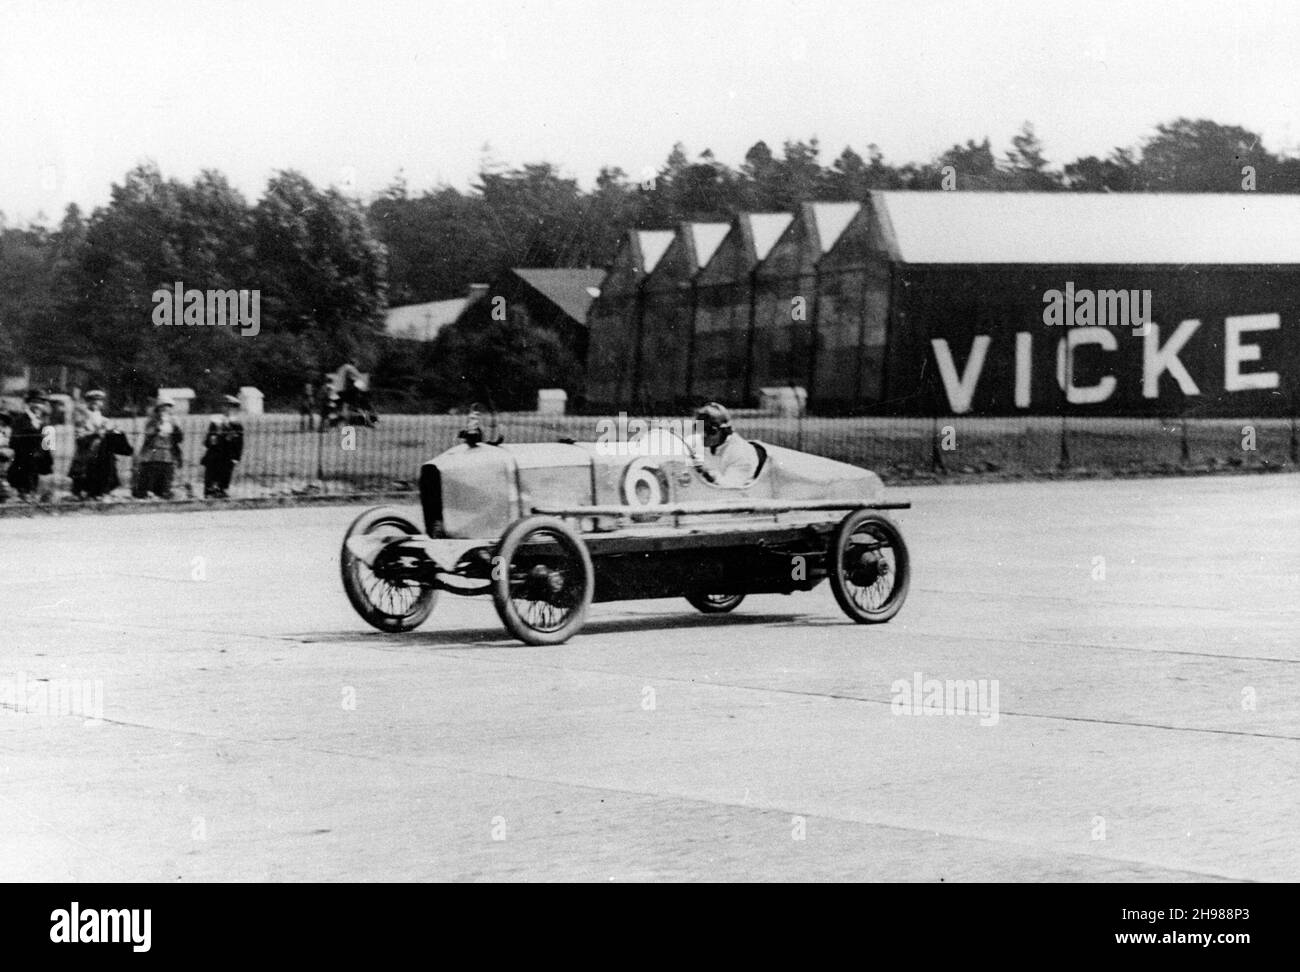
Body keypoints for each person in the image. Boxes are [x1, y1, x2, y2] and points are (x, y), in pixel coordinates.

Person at [688, 402, 760, 487]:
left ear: (725, 431)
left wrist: (706, 473)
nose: (703, 435)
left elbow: (731, 489)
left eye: (710, 430)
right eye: (699, 428)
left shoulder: (741, 452)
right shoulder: (700, 445)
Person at [69, 389, 124, 499]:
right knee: (86, 470)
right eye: (92, 401)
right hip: (87, 449)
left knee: (106, 468)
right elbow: (79, 435)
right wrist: (94, 433)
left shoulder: (104, 419)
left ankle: (101, 491)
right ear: (87, 402)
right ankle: (86, 492)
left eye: (99, 401)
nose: (96, 404)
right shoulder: (82, 418)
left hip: (102, 451)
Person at [6, 389, 54, 499]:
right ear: (29, 403)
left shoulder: (43, 422)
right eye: (35, 402)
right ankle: (24, 493)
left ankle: (32, 493)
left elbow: (47, 446)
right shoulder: (20, 420)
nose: (38, 406)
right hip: (23, 459)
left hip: (37, 461)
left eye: (41, 403)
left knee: (36, 479)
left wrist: (46, 458)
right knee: (23, 480)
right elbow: (15, 441)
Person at [134, 398, 184, 499]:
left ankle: (164, 492)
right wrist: (158, 425)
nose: (166, 410)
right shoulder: (152, 421)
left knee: (166, 477)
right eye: (164, 407)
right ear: (158, 409)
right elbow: (149, 434)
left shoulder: (174, 421)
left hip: (168, 454)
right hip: (153, 454)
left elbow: (179, 439)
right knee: (151, 476)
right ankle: (150, 493)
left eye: (169, 407)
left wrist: (177, 428)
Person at [201, 395, 244, 498]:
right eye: (225, 406)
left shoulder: (237, 425)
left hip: (228, 456)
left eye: (231, 407)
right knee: (211, 478)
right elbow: (208, 441)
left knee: (224, 477)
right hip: (214, 455)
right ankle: (210, 492)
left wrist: (236, 457)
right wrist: (214, 439)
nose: (228, 410)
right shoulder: (215, 422)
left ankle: (222, 491)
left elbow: (239, 443)